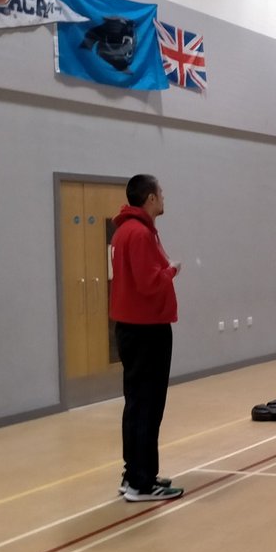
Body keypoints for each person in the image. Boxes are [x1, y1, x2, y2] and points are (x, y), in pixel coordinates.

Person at [110, 174, 185, 501]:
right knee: (147, 405)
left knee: (138, 403)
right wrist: (171, 271)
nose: (164, 198)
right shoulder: (138, 233)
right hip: (145, 330)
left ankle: (135, 474)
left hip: (134, 328)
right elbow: (147, 282)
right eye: (161, 193)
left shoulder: (127, 230)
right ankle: (142, 482)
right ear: (150, 198)